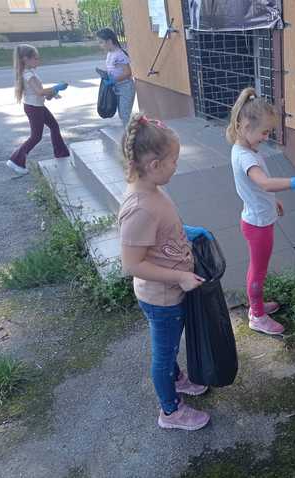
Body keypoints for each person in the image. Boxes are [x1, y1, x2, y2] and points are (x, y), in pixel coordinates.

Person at [119, 112, 213, 430]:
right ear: (155, 165)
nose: (177, 166)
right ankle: (170, 411)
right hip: (162, 298)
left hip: (169, 292)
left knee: (169, 345)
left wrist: (187, 230)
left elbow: (159, 232)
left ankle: (177, 378)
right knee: (163, 353)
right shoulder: (139, 207)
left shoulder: (154, 191)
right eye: (174, 160)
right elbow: (132, 263)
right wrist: (180, 276)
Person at [227, 87, 295, 335]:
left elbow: (260, 187)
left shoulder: (245, 150)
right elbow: (264, 182)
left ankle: (257, 306)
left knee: (259, 268)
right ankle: (256, 316)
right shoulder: (246, 158)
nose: (266, 137)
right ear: (246, 126)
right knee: (258, 271)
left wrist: (273, 200)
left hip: (257, 217)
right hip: (257, 225)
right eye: (264, 132)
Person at [7, 44, 69, 175]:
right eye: (35, 58)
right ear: (25, 59)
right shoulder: (27, 75)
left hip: (38, 106)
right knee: (36, 137)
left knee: (54, 126)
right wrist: (56, 88)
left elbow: (40, 93)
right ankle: (16, 160)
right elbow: (39, 92)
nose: (38, 61)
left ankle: (62, 154)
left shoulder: (30, 72)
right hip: (34, 108)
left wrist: (52, 93)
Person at [96, 28, 135, 125]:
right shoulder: (110, 54)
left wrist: (113, 80)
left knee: (124, 114)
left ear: (109, 41)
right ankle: (130, 135)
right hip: (116, 87)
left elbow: (128, 72)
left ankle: (132, 137)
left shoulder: (119, 54)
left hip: (125, 87)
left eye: (101, 42)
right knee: (122, 114)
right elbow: (114, 70)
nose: (100, 45)